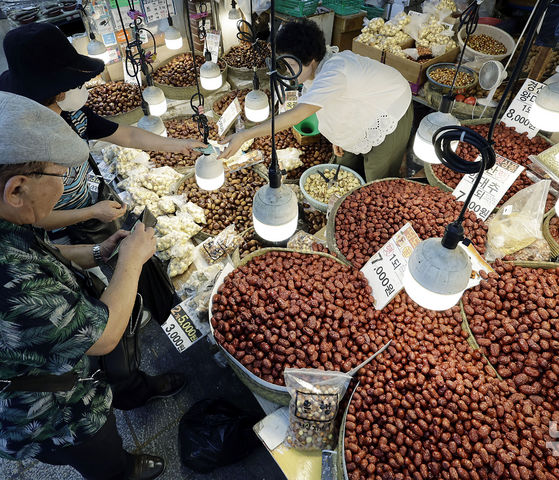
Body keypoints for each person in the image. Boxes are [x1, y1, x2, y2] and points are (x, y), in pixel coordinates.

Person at [0, 92, 182, 479]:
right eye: (60, 175)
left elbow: (44, 256)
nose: (65, 183)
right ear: (16, 189)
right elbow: (103, 337)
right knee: (99, 451)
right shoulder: (10, 282)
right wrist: (131, 259)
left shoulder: (10, 226)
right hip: (49, 411)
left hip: (66, 364)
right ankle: (121, 470)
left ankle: (133, 394)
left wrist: (100, 252)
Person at [0, 23, 205, 233]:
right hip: (59, 231)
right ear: (59, 93)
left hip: (88, 200)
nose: (82, 88)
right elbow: (31, 219)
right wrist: (91, 213)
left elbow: (128, 135)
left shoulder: (74, 114)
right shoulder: (20, 146)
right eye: (77, 84)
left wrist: (179, 145)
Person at [219, 20, 413, 181]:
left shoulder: (334, 73)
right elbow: (332, 103)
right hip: (363, 102)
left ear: (311, 60)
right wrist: (339, 136)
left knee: (377, 176)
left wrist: (245, 135)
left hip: (391, 104)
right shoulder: (318, 66)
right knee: (342, 167)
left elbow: (297, 115)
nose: (287, 72)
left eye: (291, 64)